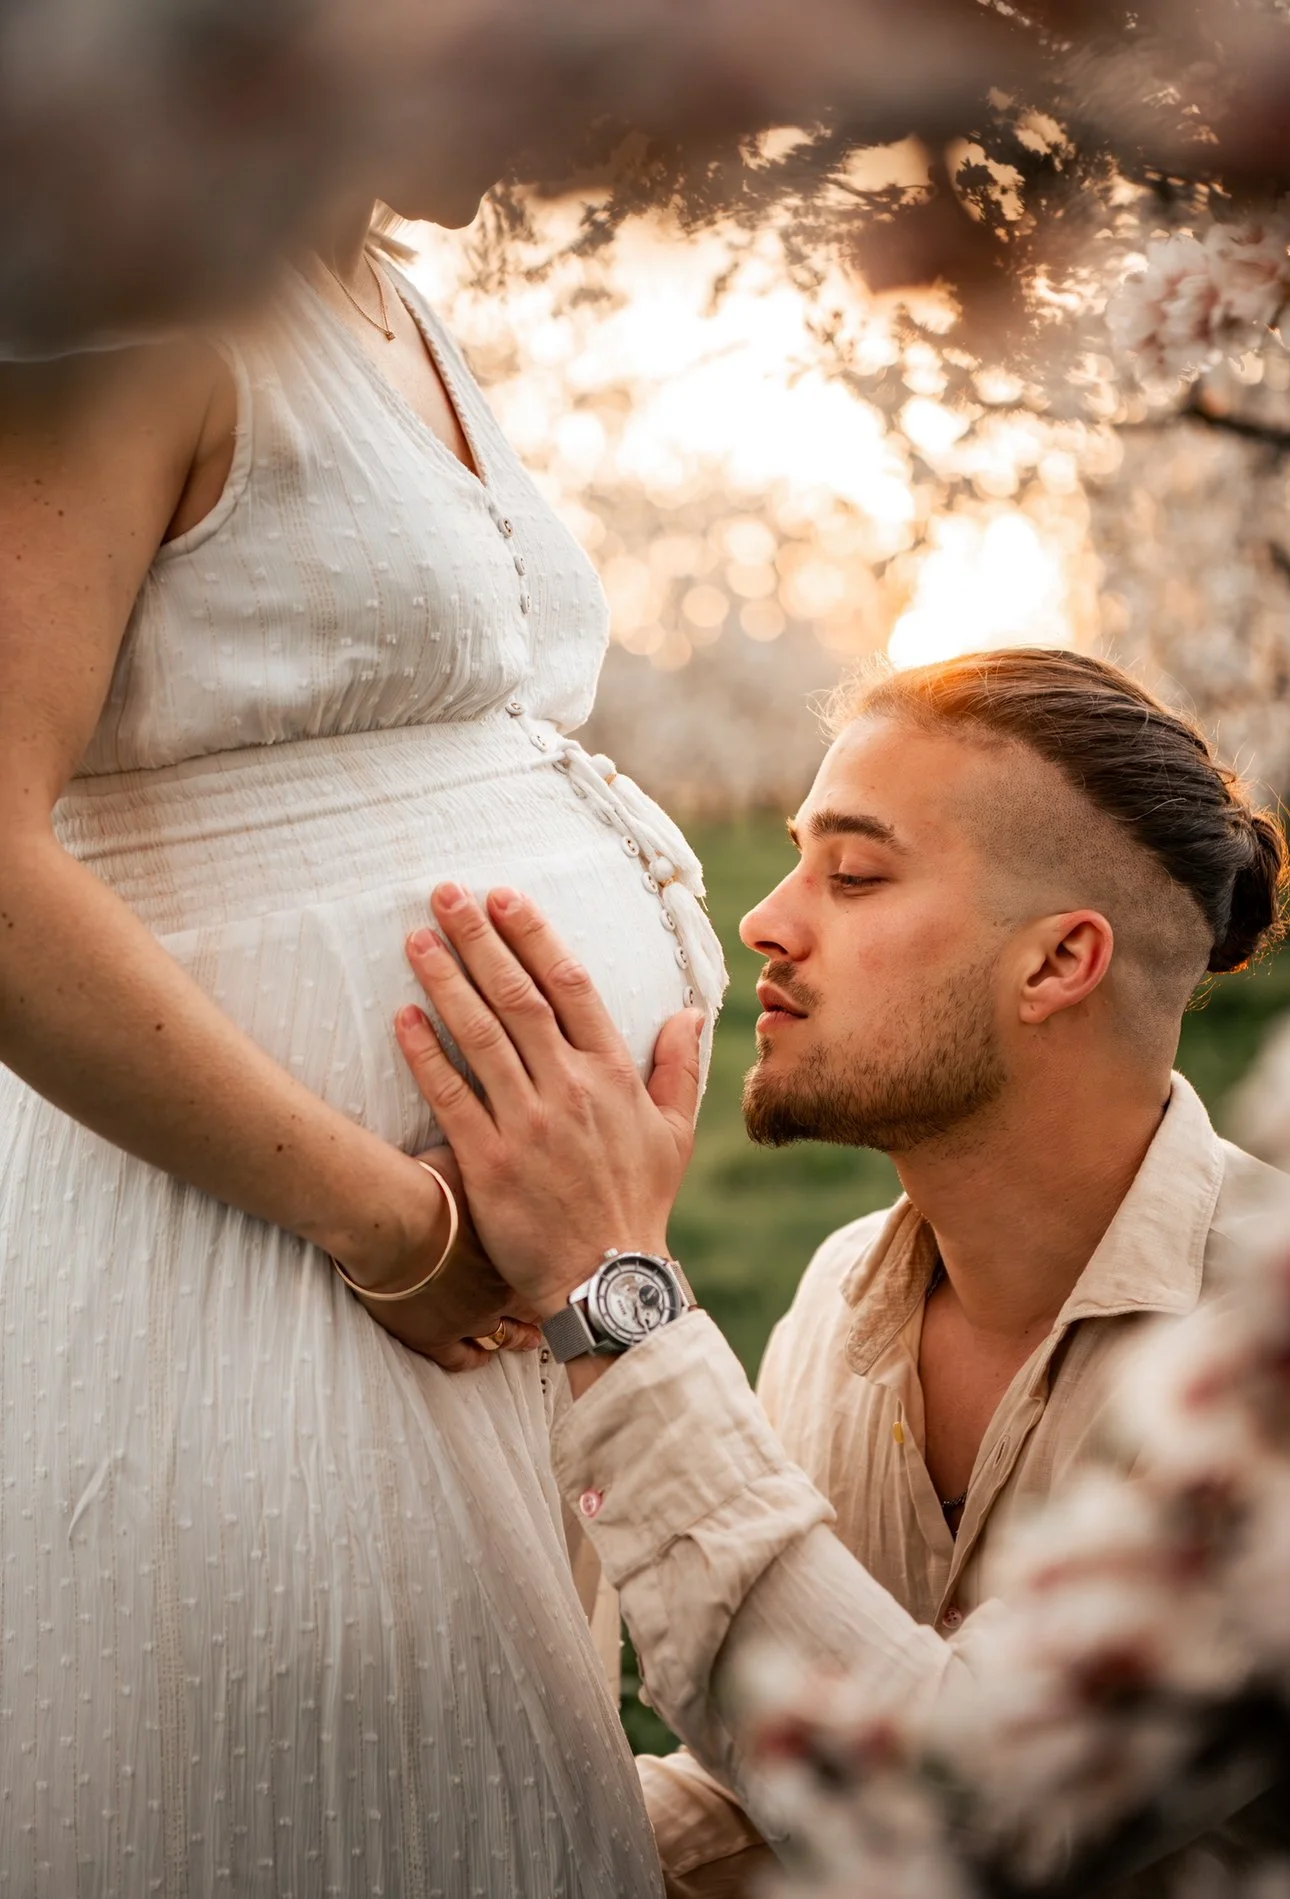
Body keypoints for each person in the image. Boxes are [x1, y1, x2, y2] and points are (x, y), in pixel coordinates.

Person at [0, 163, 727, 1892]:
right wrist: (392, 1222)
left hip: (488, 1278)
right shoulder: (139, 291)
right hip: (265, 1254)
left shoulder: (395, 306)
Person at [393, 648, 1289, 1895]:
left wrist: (613, 1298)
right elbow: (770, 1786)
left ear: (1057, 964)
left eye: (855, 876)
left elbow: (969, 1819)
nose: (766, 920)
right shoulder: (836, 1295)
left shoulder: (1264, 1358)